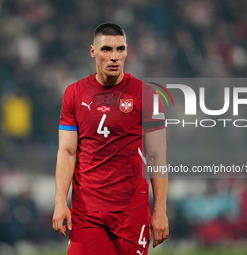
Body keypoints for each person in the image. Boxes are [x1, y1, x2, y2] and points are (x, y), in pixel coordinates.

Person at [52, 22, 169, 255]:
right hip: (87, 211)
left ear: (127, 51)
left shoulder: (149, 95)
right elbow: (67, 151)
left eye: (120, 49)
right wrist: (59, 202)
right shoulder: (73, 93)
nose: (114, 56)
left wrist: (160, 210)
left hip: (131, 210)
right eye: (107, 49)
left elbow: (157, 156)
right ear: (93, 51)